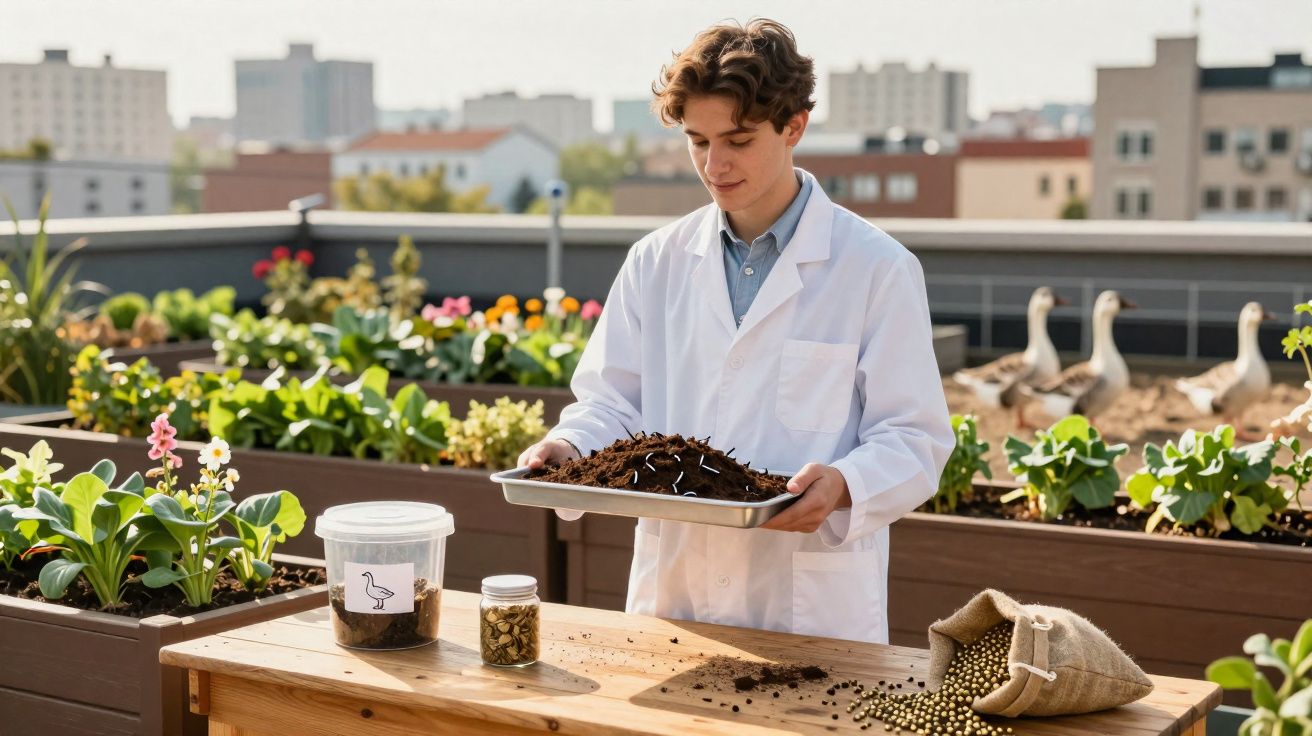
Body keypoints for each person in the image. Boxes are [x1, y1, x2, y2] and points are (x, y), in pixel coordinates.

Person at [516, 18, 953, 643]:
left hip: (808, 609)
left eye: (738, 140)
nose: (714, 165)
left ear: (793, 126)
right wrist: (569, 448)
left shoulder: (877, 268)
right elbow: (613, 402)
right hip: (675, 599)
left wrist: (845, 484)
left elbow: (915, 439)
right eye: (697, 141)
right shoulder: (656, 260)